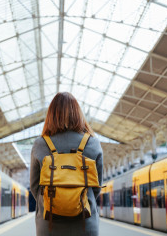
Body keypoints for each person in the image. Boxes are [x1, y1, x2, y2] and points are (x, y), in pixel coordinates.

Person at [30, 92, 103, 236]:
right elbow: (96, 187)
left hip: (48, 224)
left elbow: (35, 187)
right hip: (85, 223)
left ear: (51, 115)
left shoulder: (40, 144)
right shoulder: (93, 143)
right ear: (78, 113)